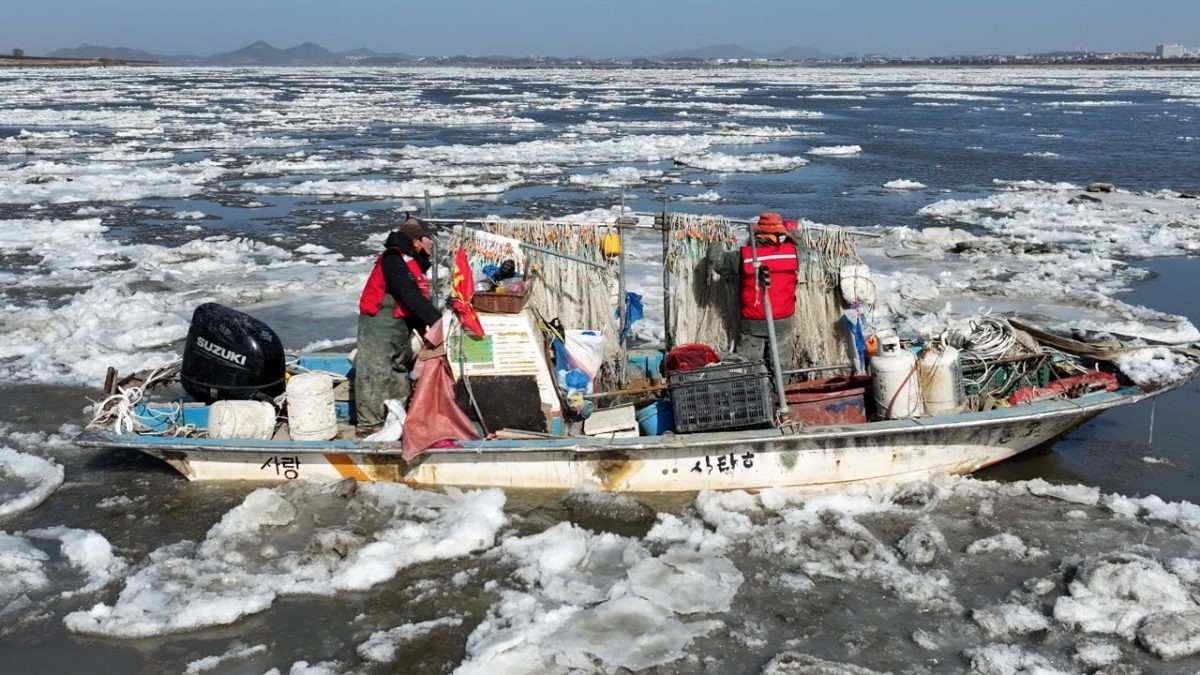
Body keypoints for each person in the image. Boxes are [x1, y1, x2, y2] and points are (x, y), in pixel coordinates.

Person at [354, 216, 442, 436]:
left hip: (399, 325)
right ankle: (369, 427)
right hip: (379, 323)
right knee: (376, 371)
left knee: (398, 371)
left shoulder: (410, 261)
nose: (432, 242)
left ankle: (395, 421)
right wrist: (437, 321)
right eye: (429, 238)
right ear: (416, 241)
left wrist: (429, 328)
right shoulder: (394, 259)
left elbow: (413, 299)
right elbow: (407, 293)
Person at [707, 212, 799, 368]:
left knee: (749, 365)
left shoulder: (744, 256)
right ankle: (780, 389)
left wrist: (714, 241)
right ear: (780, 234)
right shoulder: (793, 253)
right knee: (781, 365)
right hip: (783, 320)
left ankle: (753, 389)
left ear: (757, 233)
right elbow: (802, 248)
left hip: (752, 321)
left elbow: (718, 262)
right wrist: (795, 232)